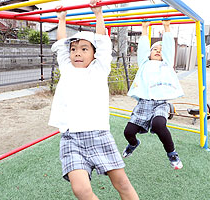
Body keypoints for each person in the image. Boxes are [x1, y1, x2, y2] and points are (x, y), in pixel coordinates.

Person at [48, 0, 139, 199]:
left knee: (122, 183)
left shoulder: (100, 69)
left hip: (98, 134)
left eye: (84, 49)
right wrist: (61, 19)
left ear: (94, 54)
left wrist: (99, 14)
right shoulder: (66, 67)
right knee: (81, 190)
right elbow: (61, 46)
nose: (77, 53)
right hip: (71, 137)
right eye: (74, 49)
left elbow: (104, 42)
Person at [122, 20, 184, 170]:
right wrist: (144, 29)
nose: (158, 51)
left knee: (159, 124)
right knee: (128, 132)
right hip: (144, 103)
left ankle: (172, 154)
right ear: (149, 54)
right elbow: (143, 48)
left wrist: (167, 27)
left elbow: (169, 48)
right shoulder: (144, 63)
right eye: (155, 49)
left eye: (161, 50)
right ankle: (133, 143)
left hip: (160, 103)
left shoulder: (166, 63)